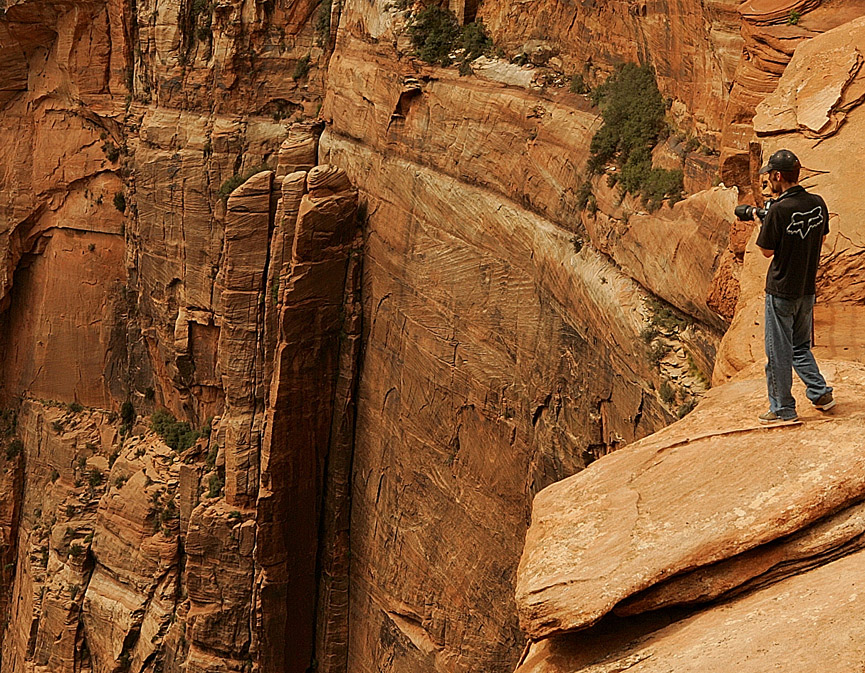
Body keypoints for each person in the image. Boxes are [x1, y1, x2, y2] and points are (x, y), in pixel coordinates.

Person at [755, 148, 834, 423]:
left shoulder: (779, 210)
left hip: (781, 290)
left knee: (778, 351)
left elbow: (766, 251)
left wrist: (763, 223)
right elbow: (821, 239)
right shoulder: (817, 202)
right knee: (800, 346)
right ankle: (820, 393)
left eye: (770, 178)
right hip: (806, 289)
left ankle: (782, 408)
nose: (768, 182)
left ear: (778, 175)